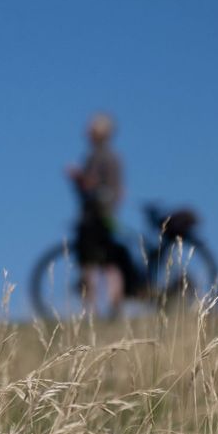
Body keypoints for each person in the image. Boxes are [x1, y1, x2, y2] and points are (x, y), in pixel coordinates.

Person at [65, 112, 125, 316]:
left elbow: (90, 183)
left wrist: (76, 176)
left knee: (90, 262)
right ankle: (112, 308)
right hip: (108, 214)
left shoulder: (98, 156)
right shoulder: (113, 157)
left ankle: (94, 311)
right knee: (110, 261)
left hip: (95, 217)